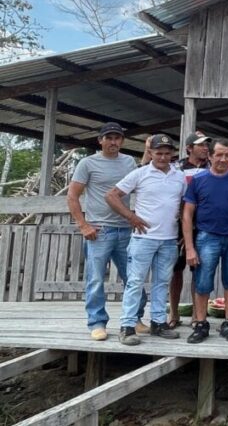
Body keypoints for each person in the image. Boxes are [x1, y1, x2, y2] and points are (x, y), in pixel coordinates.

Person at [106, 134, 186, 345]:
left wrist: (183, 230)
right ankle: (127, 326)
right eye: (158, 153)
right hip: (144, 238)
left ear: (172, 155)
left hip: (169, 239)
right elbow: (112, 195)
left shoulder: (179, 176)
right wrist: (130, 217)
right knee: (135, 282)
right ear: (150, 153)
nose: (162, 157)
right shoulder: (140, 174)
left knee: (162, 282)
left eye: (167, 153)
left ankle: (158, 323)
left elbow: (184, 204)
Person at [68, 122, 145, 341]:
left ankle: (135, 318)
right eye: (109, 138)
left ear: (122, 141)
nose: (113, 142)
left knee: (133, 277)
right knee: (95, 279)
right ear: (100, 140)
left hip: (125, 230)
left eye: (117, 138)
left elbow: (141, 185)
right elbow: (73, 196)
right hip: (99, 230)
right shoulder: (87, 163)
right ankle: (97, 322)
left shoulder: (129, 161)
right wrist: (83, 225)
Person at [182, 138, 228, 343]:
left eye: (227, 155)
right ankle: (201, 324)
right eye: (219, 155)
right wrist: (189, 248)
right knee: (203, 282)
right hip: (206, 237)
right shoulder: (198, 180)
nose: (223, 159)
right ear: (210, 156)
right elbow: (187, 214)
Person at [168, 132, 211, 328]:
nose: (205, 148)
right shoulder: (176, 167)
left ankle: (197, 314)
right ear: (189, 149)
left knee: (198, 270)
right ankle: (173, 314)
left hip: (202, 224)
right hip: (177, 224)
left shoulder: (212, 167)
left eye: (206, 145)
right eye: (200, 145)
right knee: (175, 270)